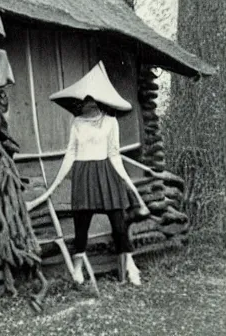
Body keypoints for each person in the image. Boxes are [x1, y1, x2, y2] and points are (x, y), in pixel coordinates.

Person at [27, 61, 149, 286]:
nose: (87, 103)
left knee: (119, 224)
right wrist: (53, 187)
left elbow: (114, 154)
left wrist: (129, 184)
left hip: (106, 172)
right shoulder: (77, 123)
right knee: (81, 226)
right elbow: (70, 154)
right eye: (85, 99)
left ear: (100, 101)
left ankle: (132, 266)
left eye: (92, 99)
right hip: (83, 174)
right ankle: (78, 267)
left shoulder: (111, 122)